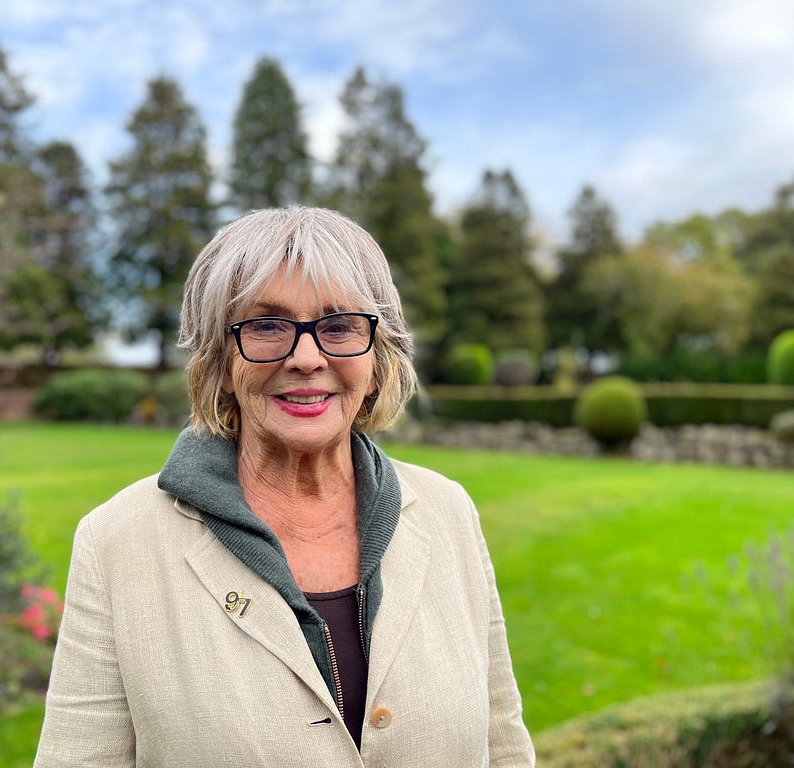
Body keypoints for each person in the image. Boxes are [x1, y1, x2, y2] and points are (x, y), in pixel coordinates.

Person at [34, 207, 535, 767]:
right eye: (267, 326)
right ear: (220, 360)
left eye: (339, 325)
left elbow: (504, 745)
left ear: (377, 354)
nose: (306, 357)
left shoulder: (448, 512)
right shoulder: (117, 540)